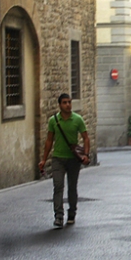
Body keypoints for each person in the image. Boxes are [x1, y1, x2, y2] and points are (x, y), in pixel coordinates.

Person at [39, 93, 90, 228]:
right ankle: (59, 216)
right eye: (65, 103)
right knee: (58, 186)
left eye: (69, 102)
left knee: (72, 187)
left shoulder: (77, 119)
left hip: (73, 160)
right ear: (60, 105)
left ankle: (72, 213)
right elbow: (49, 141)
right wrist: (44, 159)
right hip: (58, 159)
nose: (68, 105)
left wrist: (86, 154)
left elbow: (85, 137)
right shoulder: (53, 120)